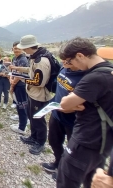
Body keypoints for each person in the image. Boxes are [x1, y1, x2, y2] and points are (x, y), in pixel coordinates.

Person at [57, 37, 113, 188]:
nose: (70, 66)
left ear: (80, 55)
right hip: (102, 143)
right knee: (91, 181)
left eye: (71, 61)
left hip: (85, 140)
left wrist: (71, 101)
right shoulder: (108, 71)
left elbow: (65, 103)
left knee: (66, 180)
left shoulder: (94, 78)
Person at [40, 52, 85, 180]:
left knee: (73, 150)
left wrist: (70, 108)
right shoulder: (63, 68)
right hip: (56, 113)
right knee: (54, 141)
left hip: (73, 120)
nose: (64, 62)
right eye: (63, 59)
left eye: (68, 60)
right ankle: (58, 162)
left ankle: (67, 172)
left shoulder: (85, 77)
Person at [11, 35, 52, 155]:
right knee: (31, 116)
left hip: (39, 95)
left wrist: (24, 80)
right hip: (32, 93)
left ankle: (40, 142)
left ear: (29, 47)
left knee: (38, 119)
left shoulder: (41, 61)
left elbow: (39, 82)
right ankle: (33, 137)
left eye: (24, 48)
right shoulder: (35, 58)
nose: (23, 50)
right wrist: (19, 69)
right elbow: (30, 70)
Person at [9, 41, 29, 135]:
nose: (16, 50)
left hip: (21, 85)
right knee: (18, 103)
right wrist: (11, 79)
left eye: (18, 48)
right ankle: (21, 117)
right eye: (15, 48)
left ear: (22, 49)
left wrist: (13, 84)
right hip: (15, 83)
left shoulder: (23, 60)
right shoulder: (14, 58)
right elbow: (13, 71)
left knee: (22, 105)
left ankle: (22, 127)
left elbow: (20, 74)